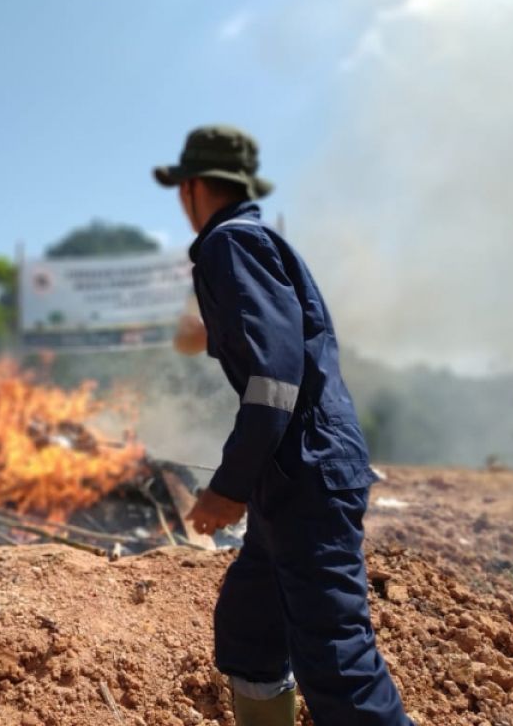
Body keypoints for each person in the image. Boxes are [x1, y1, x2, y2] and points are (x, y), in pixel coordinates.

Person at [154, 125, 412, 726]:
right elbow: (278, 337)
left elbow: (274, 378)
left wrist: (229, 487)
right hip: (293, 475)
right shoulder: (247, 245)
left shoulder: (231, 245)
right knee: (250, 629)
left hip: (306, 472)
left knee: (337, 662)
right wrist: (207, 333)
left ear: (192, 187)